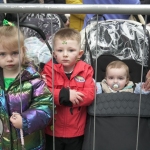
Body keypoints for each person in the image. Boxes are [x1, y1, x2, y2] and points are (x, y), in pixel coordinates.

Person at [0, 20, 53, 150]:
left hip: (29, 144)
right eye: (2, 54)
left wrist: (25, 120)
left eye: (14, 53)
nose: (9, 59)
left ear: (23, 51)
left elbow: (45, 106)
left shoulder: (33, 78)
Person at [42, 28, 95, 150]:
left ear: (79, 53)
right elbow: (44, 92)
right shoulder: (49, 69)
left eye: (71, 50)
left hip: (76, 131)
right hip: (53, 129)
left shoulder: (86, 70)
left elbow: (90, 94)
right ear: (54, 54)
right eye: (60, 50)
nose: (65, 54)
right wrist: (64, 95)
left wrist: (68, 99)